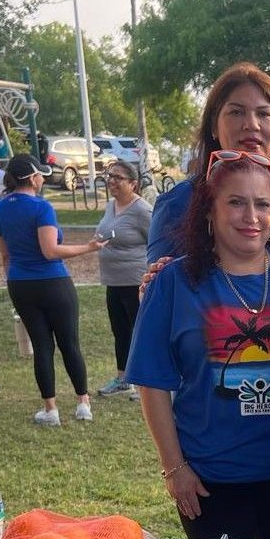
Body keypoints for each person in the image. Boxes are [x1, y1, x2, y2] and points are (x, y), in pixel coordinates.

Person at [127, 152, 270, 539]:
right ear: (209, 211)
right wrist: (174, 469)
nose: (251, 216)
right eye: (236, 202)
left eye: (262, 204)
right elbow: (152, 383)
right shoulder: (173, 282)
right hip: (210, 480)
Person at [147, 62, 270, 262]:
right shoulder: (178, 204)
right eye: (237, 112)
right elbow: (158, 286)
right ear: (214, 125)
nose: (251, 124)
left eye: (264, 114)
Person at [0, 153, 105, 426]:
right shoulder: (42, 208)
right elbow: (50, 251)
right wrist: (88, 248)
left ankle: (50, 409)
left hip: (20, 283)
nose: (43, 178)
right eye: (40, 174)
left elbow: (5, 255)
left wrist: (15, 282)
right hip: (53, 282)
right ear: (32, 178)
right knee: (69, 344)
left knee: (42, 346)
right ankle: (82, 404)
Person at [94, 160, 152, 398]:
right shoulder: (111, 205)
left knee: (140, 332)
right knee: (120, 332)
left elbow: (157, 242)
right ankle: (122, 378)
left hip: (135, 282)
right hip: (114, 281)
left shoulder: (142, 210)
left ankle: (145, 382)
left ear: (133, 184)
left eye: (118, 178)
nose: (112, 182)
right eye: (110, 176)